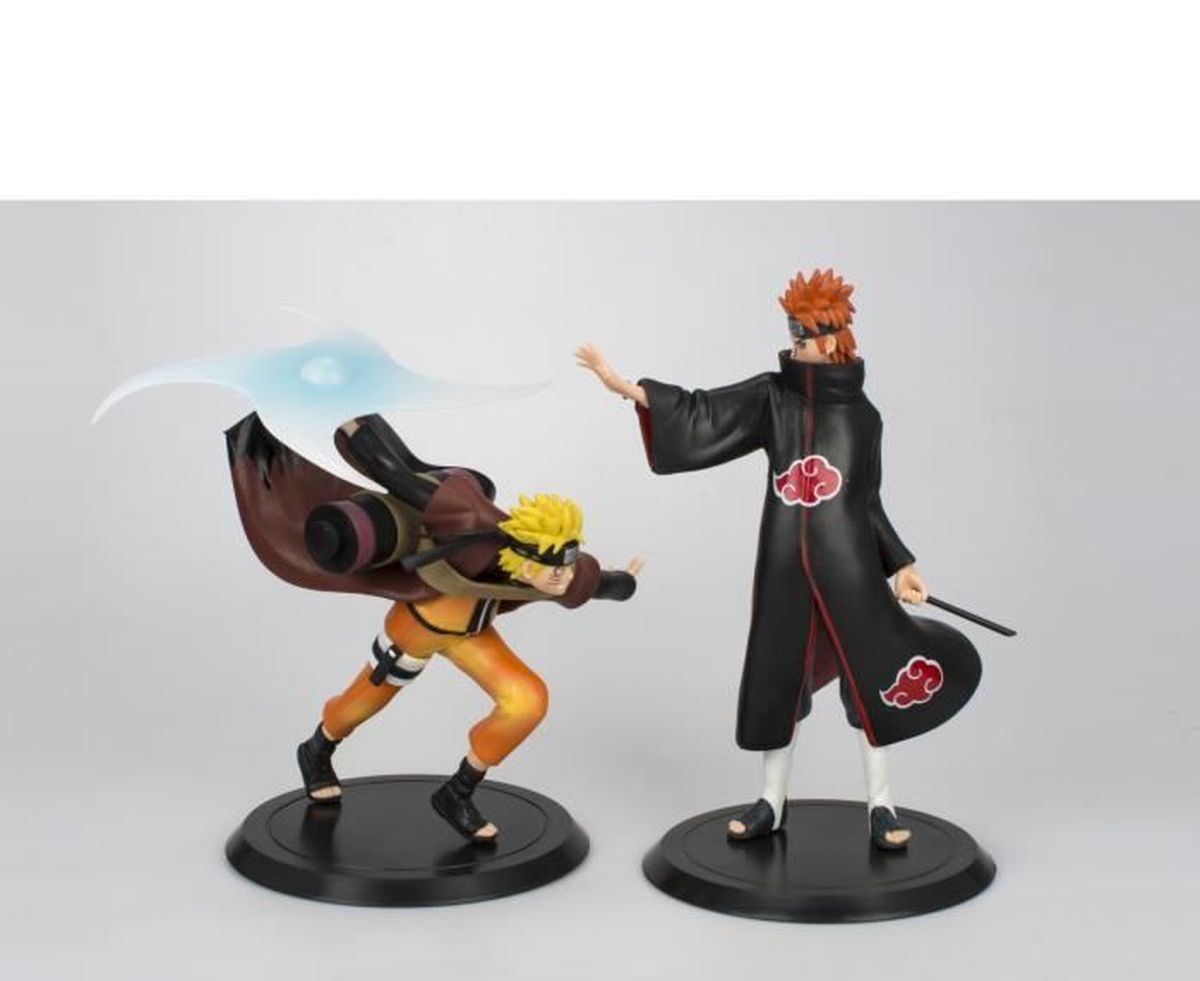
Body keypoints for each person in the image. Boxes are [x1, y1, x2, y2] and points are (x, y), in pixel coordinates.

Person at [576, 268, 980, 849]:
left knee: (870, 682)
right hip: (785, 569)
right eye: (792, 334)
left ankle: (882, 806)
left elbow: (867, 500)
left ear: (834, 337)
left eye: (805, 335)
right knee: (776, 680)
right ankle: (770, 801)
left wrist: (902, 564)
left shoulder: (864, 418)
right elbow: (704, 412)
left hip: (852, 573)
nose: (796, 345)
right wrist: (629, 389)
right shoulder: (773, 397)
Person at [226, 410, 642, 842]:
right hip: (416, 631)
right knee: (358, 705)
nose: (561, 577)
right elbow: (396, 472)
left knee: (527, 700)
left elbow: (587, 584)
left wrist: (623, 583)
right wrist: (348, 420)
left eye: (566, 566)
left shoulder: (543, 572)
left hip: (472, 636)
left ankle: (457, 792)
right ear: (524, 558)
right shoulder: (471, 531)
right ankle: (317, 748)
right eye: (554, 568)